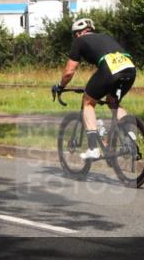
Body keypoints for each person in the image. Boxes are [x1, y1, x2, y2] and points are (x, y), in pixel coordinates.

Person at [53, 18, 137, 160]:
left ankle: (93, 148)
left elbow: (69, 71)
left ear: (78, 33)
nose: (75, 38)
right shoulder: (105, 36)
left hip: (110, 69)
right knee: (113, 102)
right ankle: (129, 137)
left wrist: (60, 87)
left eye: (75, 35)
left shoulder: (79, 41)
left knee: (87, 102)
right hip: (130, 68)